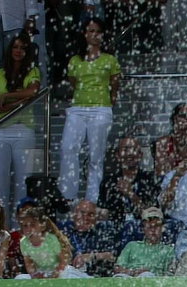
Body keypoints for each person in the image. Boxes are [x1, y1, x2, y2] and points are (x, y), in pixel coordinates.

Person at [58, 18, 119, 204]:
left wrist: (108, 102)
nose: (94, 35)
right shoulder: (75, 60)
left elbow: (115, 84)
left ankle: (92, 199)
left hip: (101, 108)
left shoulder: (110, 59)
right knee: (68, 148)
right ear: (84, 34)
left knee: (95, 155)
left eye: (97, 31)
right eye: (90, 31)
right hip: (78, 108)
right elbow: (74, 82)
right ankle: (68, 196)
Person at [0, 31, 38, 205]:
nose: (18, 51)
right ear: (9, 50)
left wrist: (7, 97)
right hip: (1, 129)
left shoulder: (33, 71)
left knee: (24, 180)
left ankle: (22, 219)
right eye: (15, 47)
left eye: (23, 48)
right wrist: (18, 103)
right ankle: (0, 219)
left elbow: (33, 92)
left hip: (25, 129)